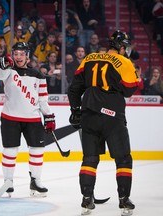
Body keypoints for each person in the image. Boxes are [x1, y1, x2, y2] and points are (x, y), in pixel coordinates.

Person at [67, 30, 139, 215]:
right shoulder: (124, 61)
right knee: (123, 158)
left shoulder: (90, 58)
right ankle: (123, 200)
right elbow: (130, 89)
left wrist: (75, 110)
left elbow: (74, 88)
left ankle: (86, 199)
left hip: (89, 113)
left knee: (89, 159)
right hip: (112, 115)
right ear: (121, 47)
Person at [0, 42, 55, 197]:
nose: (18, 57)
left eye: (22, 54)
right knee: (10, 150)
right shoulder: (8, 71)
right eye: (16, 53)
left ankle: (35, 181)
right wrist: (2, 65)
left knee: (37, 150)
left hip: (33, 118)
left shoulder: (38, 75)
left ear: (27, 57)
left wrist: (48, 116)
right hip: (10, 118)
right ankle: (8, 182)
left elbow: (43, 99)